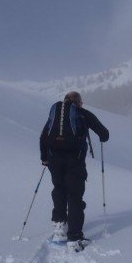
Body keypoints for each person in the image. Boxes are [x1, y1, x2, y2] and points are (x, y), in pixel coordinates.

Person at [39, 91, 109, 252]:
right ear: (79, 103)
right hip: (75, 161)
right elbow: (104, 134)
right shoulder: (83, 114)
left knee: (59, 190)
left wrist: (44, 158)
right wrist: (101, 138)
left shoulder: (55, 114)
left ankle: (59, 230)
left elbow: (43, 137)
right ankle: (74, 237)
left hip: (53, 160)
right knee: (74, 196)